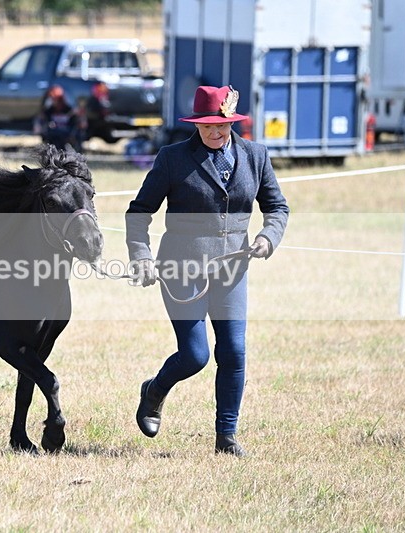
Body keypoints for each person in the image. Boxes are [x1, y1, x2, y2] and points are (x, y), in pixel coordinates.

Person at [125, 85, 289, 457]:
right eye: (207, 126)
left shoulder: (256, 156)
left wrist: (268, 237)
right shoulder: (172, 158)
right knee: (196, 355)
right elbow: (139, 213)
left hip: (233, 270)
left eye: (222, 125)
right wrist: (142, 256)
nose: (215, 132)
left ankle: (226, 437)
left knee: (233, 351)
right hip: (181, 268)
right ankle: (154, 391)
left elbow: (277, 207)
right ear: (196, 124)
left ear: (232, 122)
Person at [34, 85, 83, 151]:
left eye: (56, 99)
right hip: (53, 136)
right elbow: (41, 120)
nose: (54, 101)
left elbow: (78, 124)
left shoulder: (69, 110)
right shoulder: (49, 111)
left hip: (67, 135)